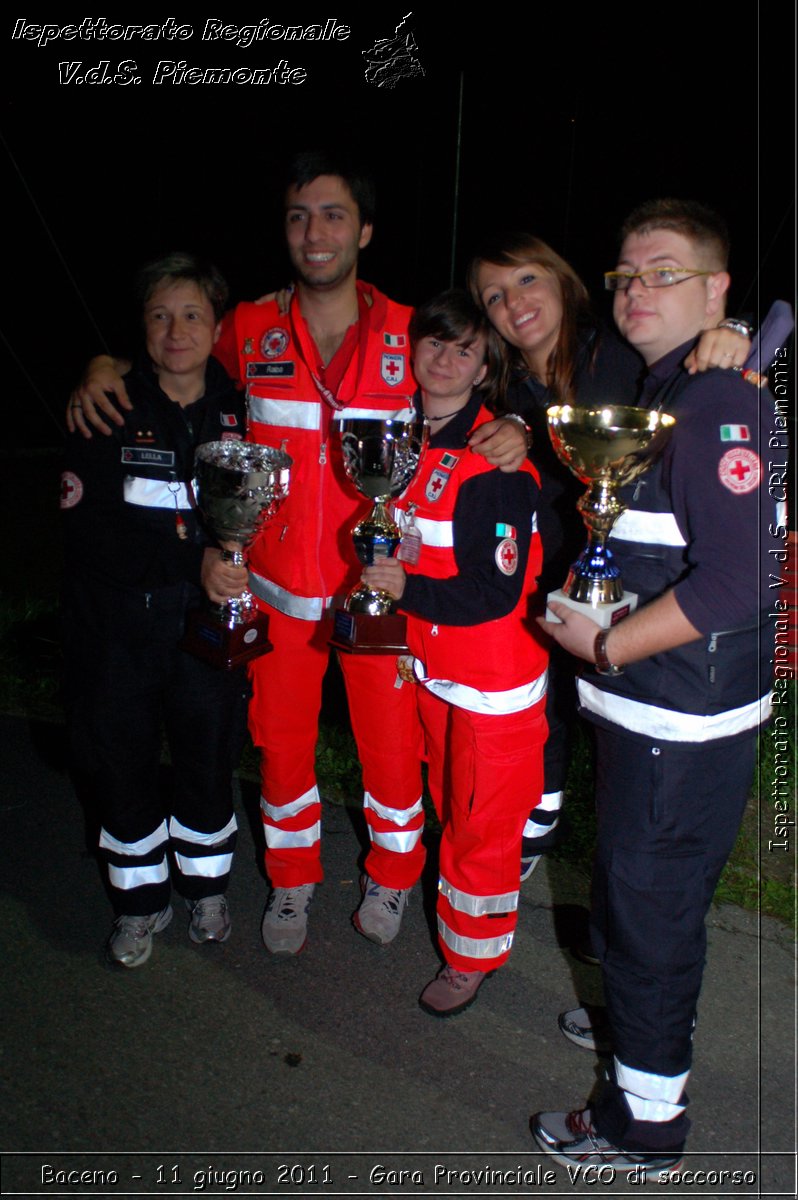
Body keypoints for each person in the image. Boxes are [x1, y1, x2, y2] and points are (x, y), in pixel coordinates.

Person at [67, 150, 529, 958]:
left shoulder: (409, 329)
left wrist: (518, 423)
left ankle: (392, 870)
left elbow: (469, 387)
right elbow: (170, 364)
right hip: (274, 593)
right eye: (297, 216)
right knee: (280, 745)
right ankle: (291, 879)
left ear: (366, 230)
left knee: (392, 750)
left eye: (333, 215)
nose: (313, 233)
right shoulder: (248, 326)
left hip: (378, 594)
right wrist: (100, 363)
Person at [529, 200, 776, 1170]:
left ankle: (645, 1126)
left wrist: (607, 646)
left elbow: (744, 579)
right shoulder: (676, 385)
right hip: (661, 710)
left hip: (679, 713)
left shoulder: (720, 401)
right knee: (651, 908)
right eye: (627, 274)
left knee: (646, 915)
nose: (636, 290)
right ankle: (640, 1038)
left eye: (663, 272)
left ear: (717, 290)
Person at [468, 235, 753, 883]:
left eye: (527, 280)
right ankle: (536, 836)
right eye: (495, 296)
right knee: (546, 714)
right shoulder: (504, 384)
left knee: (621, 746)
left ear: (563, 282)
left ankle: (631, 892)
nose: (514, 303)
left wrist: (732, 329)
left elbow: (694, 353)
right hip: (541, 576)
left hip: (638, 590)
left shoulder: (618, 353)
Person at [363, 291, 549, 1015]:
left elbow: (490, 596)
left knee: (480, 830)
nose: (442, 359)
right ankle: (463, 915)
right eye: (434, 343)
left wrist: (402, 590)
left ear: (483, 371)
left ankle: (472, 954)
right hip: (435, 672)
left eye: (463, 350)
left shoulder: (494, 463)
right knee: (452, 805)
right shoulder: (404, 442)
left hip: (490, 687)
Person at [62, 253, 250, 967]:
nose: (177, 330)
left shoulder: (241, 408)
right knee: (123, 764)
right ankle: (139, 904)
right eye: (160, 315)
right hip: (119, 631)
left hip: (207, 631)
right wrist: (189, 563)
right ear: (140, 327)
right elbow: (91, 536)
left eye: (193, 314)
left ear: (217, 325)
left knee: (208, 758)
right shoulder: (104, 404)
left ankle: (207, 888)